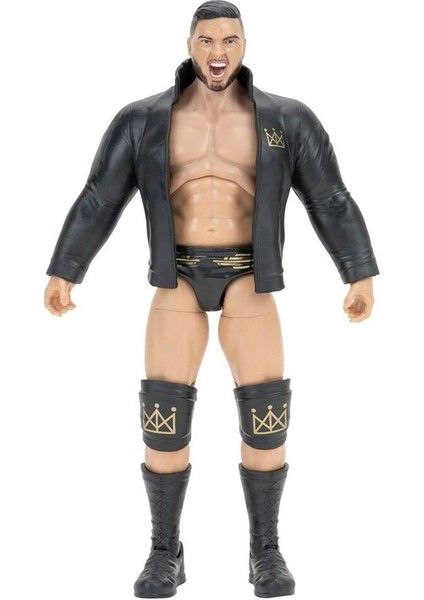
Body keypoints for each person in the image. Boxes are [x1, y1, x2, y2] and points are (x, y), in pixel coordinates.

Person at [44, 1, 379, 597]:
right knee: (163, 416)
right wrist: (66, 269)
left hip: (250, 275)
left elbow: (329, 196)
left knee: (266, 414)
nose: (218, 52)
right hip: (176, 277)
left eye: (229, 40)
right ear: (190, 45)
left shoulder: (286, 119)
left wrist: (357, 272)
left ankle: (265, 550)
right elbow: (99, 197)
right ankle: (164, 550)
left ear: (244, 45)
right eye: (207, 40)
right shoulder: (143, 119)